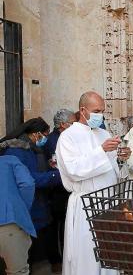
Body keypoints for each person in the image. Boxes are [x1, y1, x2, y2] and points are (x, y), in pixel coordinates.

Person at [56, 91, 131, 275]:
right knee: (87, 257)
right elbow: (74, 171)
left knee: (109, 256)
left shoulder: (104, 133)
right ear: (83, 110)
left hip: (108, 203)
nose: (101, 115)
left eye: (103, 111)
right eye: (96, 110)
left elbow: (113, 170)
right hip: (85, 204)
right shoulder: (68, 137)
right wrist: (101, 151)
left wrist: (121, 159)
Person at [1, 118, 63, 271]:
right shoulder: (16, 152)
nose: (45, 139)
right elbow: (29, 180)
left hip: (34, 204)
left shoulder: (29, 148)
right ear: (36, 134)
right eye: (44, 135)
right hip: (21, 210)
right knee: (19, 264)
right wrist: (57, 176)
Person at [44, 109, 76, 273]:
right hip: (57, 189)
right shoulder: (53, 140)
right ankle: (57, 260)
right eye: (72, 122)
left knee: (66, 224)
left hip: (66, 186)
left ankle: (66, 258)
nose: (75, 125)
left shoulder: (68, 137)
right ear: (63, 124)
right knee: (57, 225)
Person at [0, 155, 35, 275]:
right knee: (18, 272)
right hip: (9, 222)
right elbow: (27, 184)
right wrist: (21, 209)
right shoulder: (10, 160)